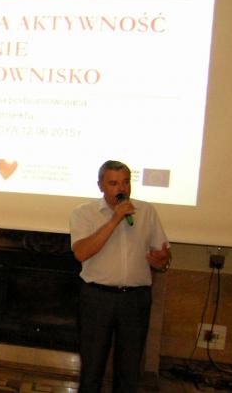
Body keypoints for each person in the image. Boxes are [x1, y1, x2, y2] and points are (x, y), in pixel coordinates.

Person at [70, 160, 171, 393]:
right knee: (92, 368)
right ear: (100, 186)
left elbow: (162, 255)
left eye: (126, 182)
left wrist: (162, 260)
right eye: (113, 183)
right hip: (97, 298)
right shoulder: (83, 213)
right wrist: (115, 219)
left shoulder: (146, 211)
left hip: (135, 300)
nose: (121, 188)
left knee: (129, 370)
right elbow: (81, 253)